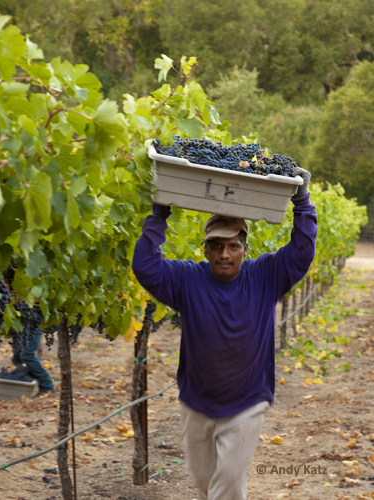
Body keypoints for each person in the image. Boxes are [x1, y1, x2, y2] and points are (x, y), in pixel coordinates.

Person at [132, 167, 317, 499]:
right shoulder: (187, 280)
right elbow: (145, 266)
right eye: (216, 246)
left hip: (247, 404)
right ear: (205, 249)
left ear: (245, 248)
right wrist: (160, 211)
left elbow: (301, 253)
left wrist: (302, 201)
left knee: (225, 488)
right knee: (207, 485)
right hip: (197, 403)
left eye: (232, 245)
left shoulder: (266, 276)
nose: (224, 254)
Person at [12, 331, 56, 395]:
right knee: (17, 358)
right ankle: (21, 383)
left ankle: (48, 387)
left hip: (33, 325)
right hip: (21, 325)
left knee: (27, 355)